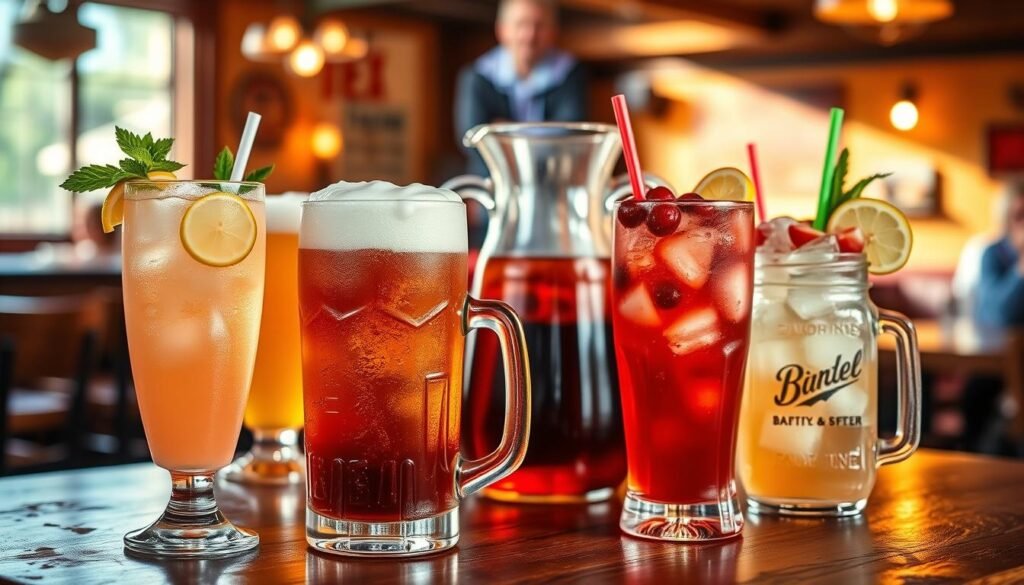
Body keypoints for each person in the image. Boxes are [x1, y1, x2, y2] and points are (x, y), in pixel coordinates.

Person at [455, 0, 588, 176]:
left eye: (539, 25)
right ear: (502, 30)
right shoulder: (476, 76)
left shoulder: (570, 73)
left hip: (553, 184)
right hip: (493, 186)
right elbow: (472, 139)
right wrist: (543, 134)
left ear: (553, 31)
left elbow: (571, 135)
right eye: (521, 24)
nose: (530, 35)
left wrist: (503, 133)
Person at [974, 181, 1024, 328]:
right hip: (1001, 346)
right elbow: (997, 314)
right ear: (1005, 220)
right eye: (1019, 216)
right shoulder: (992, 254)